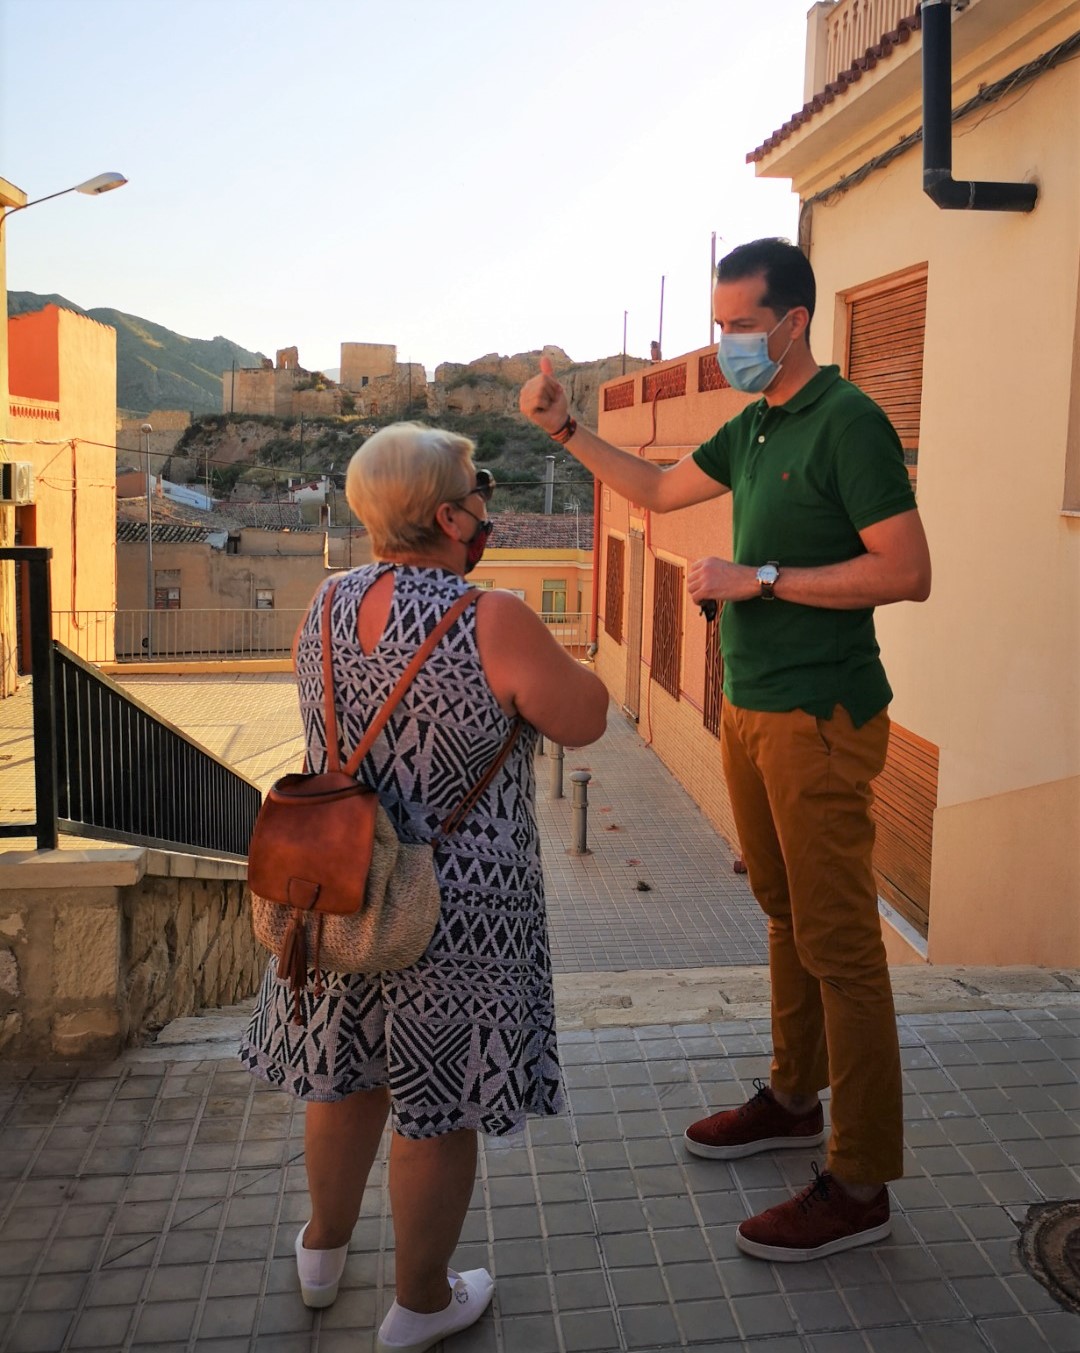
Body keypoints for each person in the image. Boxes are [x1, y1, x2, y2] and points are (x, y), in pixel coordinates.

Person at [519, 238, 931, 1264]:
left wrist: (765, 578)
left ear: (793, 323)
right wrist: (568, 429)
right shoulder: (754, 427)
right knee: (786, 913)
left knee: (843, 947)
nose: (728, 342)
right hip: (749, 707)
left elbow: (906, 569)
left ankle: (861, 1179)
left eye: (742, 326)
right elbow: (657, 491)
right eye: (721, 324)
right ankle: (795, 1096)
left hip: (819, 717)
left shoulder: (850, 424)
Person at [239, 423, 608, 1351]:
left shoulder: (323, 602)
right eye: (477, 489)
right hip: (458, 901)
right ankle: (420, 1303)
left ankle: (321, 1254)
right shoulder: (493, 615)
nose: (486, 504)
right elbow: (587, 718)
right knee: (435, 1106)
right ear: (449, 513)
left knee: (344, 1074)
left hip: (341, 882)